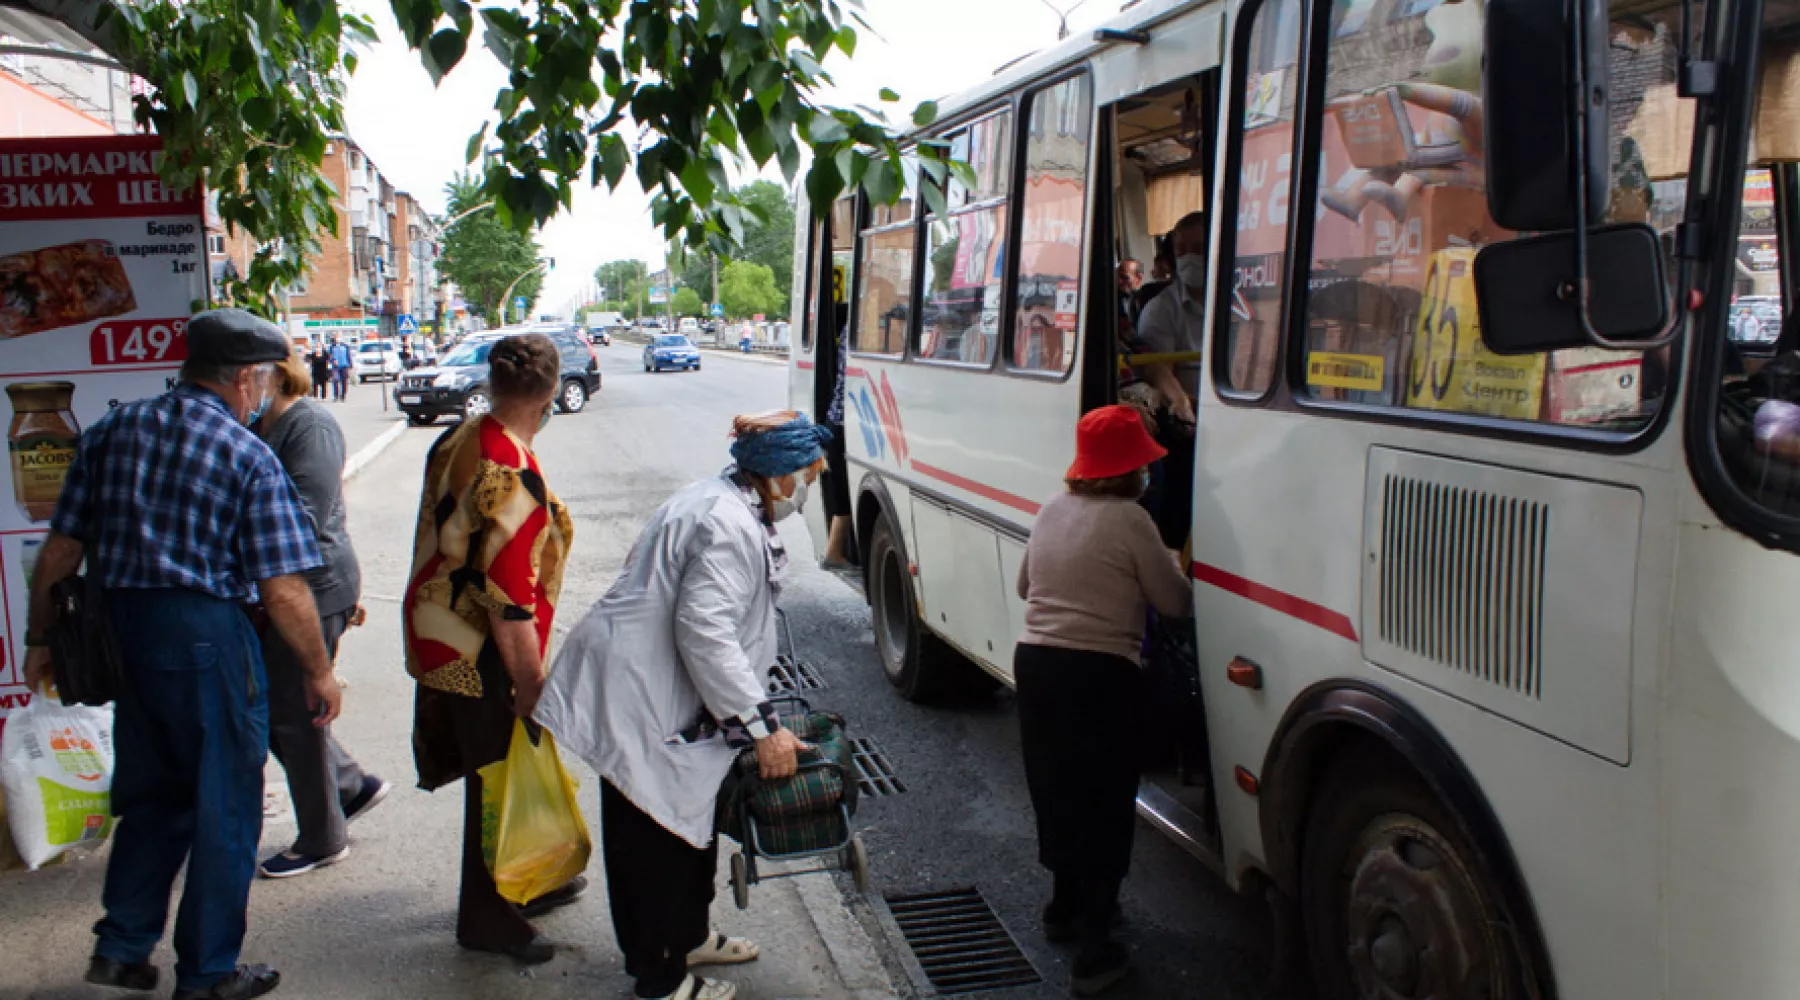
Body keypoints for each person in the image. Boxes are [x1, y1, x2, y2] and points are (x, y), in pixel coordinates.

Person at [23, 308, 340, 1000]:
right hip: (205, 639)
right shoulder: (245, 452)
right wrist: (318, 670)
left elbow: (62, 551)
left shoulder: (112, 430)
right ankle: (208, 974)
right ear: (244, 379)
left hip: (124, 636)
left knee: (153, 800)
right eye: (257, 382)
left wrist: (39, 638)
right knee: (225, 809)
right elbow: (283, 588)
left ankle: (122, 948)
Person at [536, 410, 824, 1000]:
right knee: (652, 846)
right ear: (777, 478)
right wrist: (762, 729)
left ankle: (688, 936)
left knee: (688, 833)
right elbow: (706, 632)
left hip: (663, 693)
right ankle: (661, 979)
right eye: (808, 476)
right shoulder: (725, 524)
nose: (809, 489)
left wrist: (750, 720)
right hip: (638, 698)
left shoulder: (726, 501)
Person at [403, 333, 582, 966]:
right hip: (479, 650)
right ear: (551, 392)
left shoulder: (460, 435)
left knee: (493, 775)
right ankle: (486, 917)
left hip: (436, 630)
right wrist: (529, 685)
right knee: (497, 780)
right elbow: (510, 596)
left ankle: (521, 885)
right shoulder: (513, 470)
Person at [1014, 405, 1192, 997]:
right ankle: (1095, 950)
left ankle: (1062, 907)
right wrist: (1169, 566)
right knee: (1104, 800)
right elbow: (1173, 604)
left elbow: (1025, 586)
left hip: (1037, 665)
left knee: (1057, 788)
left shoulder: (1051, 509)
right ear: (1134, 470)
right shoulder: (1132, 521)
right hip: (1100, 675)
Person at [254, 353, 391, 879]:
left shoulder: (308, 424)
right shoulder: (264, 423)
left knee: (295, 712)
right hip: (282, 588)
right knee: (278, 711)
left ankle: (323, 837)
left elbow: (304, 520)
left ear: (275, 373)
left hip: (315, 587)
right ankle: (350, 786)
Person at [328, 336, 353, 402]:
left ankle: (343, 396)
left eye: (339, 337)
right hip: (335, 367)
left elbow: (348, 356)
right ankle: (336, 396)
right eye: (337, 338)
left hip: (344, 366)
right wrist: (333, 360)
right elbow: (329, 356)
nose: (338, 339)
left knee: (344, 381)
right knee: (335, 380)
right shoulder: (332, 347)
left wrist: (351, 365)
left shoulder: (345, 346)